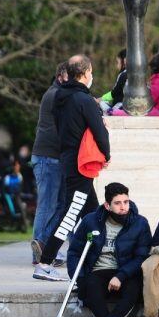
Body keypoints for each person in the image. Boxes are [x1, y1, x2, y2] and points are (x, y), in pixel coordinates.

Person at [34, 54, 111, 281]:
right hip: (82, 164)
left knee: (94, 212)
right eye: (91, 72)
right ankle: (45, 262)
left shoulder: (59, 97)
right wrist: (106, 154)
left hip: (69, 160)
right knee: (70, 214)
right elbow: (99, 131)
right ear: (86, 73)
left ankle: (99, 257)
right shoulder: (84, 100)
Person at [66, 182, 151, 317]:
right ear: (107, 205)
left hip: (125, 272)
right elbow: (74, 252)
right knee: (89, 285)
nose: (123, 207)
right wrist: (79, 278)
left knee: (134, 287)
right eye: (118, 203)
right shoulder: (90, 221)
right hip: (98, 271)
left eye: (126, 202)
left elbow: (142, 256)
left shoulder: (140, 223)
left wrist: (121, 275)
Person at [31, 62, 67, 265]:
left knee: (61, 206)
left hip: (55, 158)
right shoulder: (55, 95)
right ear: (61, 76)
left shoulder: (59, 93)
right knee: (47, 206)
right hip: (48, 158)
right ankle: (40, 250)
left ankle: (46, 246)